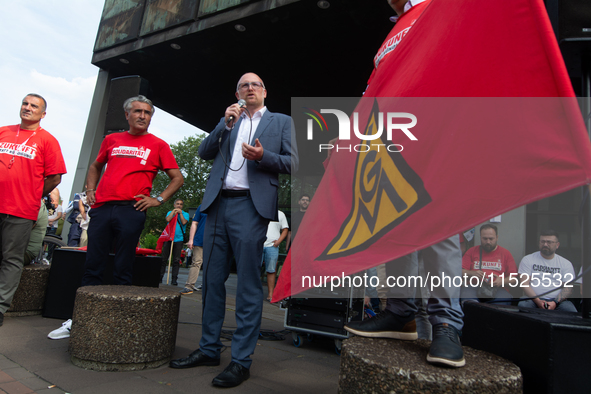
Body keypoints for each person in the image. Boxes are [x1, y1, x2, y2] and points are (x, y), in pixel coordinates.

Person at [343, 0, 466, 368]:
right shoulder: (393, 32)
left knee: (439, 229)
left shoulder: (439, 8)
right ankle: (401, 313)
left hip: (436, 131)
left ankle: (446, 323)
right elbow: (374, 89)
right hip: (393, 140)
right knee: (394, 223)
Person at [169, 72, 297, 388]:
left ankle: (241, 360)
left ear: (265, 92)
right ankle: (209, 349)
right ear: (237, 93)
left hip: (250, 207)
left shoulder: (281, 122)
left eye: (255, 84)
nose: (249, 88)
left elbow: (294, 162)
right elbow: (203, 151)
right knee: (212, 281)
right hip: (216, 205)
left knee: (248, 285)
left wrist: (263, 156)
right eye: (243, 85)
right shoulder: (230, 120)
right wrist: (224, 123)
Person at [81, 95, 183, 286]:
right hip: (102, 207)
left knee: (123, 264)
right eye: (138, 111)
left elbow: (177, 178)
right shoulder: (111, 139)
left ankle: (120, 312)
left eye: (147, 113)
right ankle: (86, 311)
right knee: (93, 262)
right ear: (127, 114)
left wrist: (158, 199)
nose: (143, 116)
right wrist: (90, 190)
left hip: (132, 209)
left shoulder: (159, 145)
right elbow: (95, 166)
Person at [0, 94, 66, 326]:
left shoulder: (48, 140)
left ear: (43, 114)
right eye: (25, 103)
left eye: (34, 106)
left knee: (11, 258)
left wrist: (33, 193)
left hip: (20, 208)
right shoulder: (3, 131)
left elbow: (55, 176)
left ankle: (0, 307)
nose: (27, 108)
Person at [518, 230, 577, 312]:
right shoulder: (528, 259)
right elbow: (524, 284)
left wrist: (555, 302)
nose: (545, 244)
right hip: (532, 299)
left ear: (557, 245)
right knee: (523, 305)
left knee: (571, 311)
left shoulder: (565, 264)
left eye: (549, 242)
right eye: (543, 241)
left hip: (558, 301)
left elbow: (568, 288)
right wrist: (538, 301)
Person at [461, 224, 517, 305]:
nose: (488, 242)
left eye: (491, 239)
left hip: (498, 289)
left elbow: (514, 279)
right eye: (484, 238)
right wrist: (472, 273)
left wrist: (502, 281)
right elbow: (459, 271)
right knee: (469, 304)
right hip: (474, 287)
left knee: (499, 307)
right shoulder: (471, 251)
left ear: (497, 237)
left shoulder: (505, 253)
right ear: (480, 237)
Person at [160, 199, 189, 286]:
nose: (179, 206)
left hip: (179, 239)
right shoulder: (170, 212)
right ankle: (160, 277)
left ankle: (174, 279)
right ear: (174, 205)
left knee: (176, 260)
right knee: (164, 259)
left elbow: (184, 222)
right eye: (177, 204)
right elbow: (168, 220)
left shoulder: (185, 214)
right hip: (168, 238)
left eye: (181, 204)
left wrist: (180, 214)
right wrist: (173, 212)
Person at [180, 204, 207, 295]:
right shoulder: (202, 206)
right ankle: (189, 286)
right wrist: (191, 239)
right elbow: (194, 223)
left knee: (212, 265)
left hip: (216, 241)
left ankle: (208, 285)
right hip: (200, 239)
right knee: (196, 262)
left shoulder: (222, 205)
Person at [262, 210, 289, 300]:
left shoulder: (280, 214)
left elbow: (285, 229)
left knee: (271, 270)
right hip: (258, 245)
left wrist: (278, 242)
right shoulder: (261, 210)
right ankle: (253, 294)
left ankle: (270, 295)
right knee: (254, 269)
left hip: (272, 246)